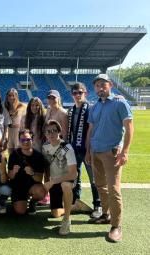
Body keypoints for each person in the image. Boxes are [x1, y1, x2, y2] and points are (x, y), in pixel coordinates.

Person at [85, 74, 134, 243]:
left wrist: (125, 151)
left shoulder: (120, 103)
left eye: (103, 85)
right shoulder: (94, 107)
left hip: (112, 152)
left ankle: (116, 225)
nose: (100, 88)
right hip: (95, 151)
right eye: (97, 85)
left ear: (110, 85)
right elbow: (90, 130)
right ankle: (105, 215)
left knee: (113, 189)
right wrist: (88, 151)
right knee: (99, 185)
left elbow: (129, 128)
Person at [67, 82, 102, 218]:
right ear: (72, 95)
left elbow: (94, 131)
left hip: (88, 150)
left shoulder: (91, 109)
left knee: (94, 179)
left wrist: (89, 150)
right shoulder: (70, 110)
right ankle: (76, 201)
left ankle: (97, 205)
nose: (77, 95)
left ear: (85, 93)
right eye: (75, 93)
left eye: (80, 92)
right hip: (73, 150)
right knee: (75, 177)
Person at [42, 120, 77, 236]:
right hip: (54, 181)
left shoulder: (67, 148)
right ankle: (74, 206)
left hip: (67, 180)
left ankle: (67, 219)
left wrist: (53, 181)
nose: (51, 134)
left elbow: (73, 174)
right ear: (45, 134)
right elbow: (46, 167)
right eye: (48, 131)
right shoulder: (45, 147)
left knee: (65, 185)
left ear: (59, 132)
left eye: (54, 131)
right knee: (55, 213)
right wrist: (47, 183)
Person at [8, 129, 48, 215]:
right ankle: (19, 200)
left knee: (41, 192)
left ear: (32, 140)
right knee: (20, 211)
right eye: (22, 140)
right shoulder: (14, 155)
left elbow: (40, 178)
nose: (25, 142)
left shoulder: (39, 156)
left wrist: (32, 173)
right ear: (19, 141)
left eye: (28, 139)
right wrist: (14, 172)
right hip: (18, 186)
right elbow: (10, 176)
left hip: (32, 185)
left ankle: (33, 202)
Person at [4, 88, 26, 153]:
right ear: (7, 97)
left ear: (16, 96)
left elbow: (26, 119)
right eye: (9, 95)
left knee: (19, 153)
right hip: (9, 131)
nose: (11, 97)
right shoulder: (5, 106)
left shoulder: (22, 106)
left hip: (18, 131)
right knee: (10, 152)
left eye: (13, 95)